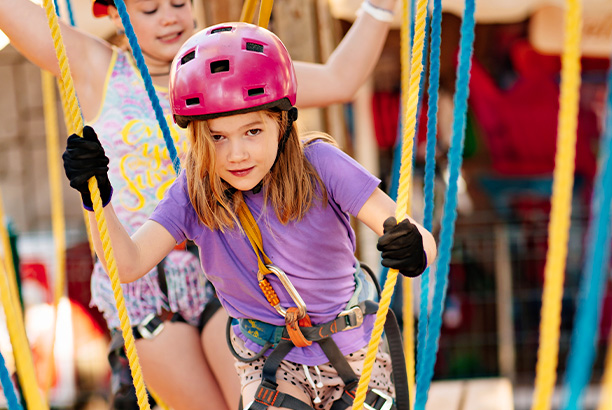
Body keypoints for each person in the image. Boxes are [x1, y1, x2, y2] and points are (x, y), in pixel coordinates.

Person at [0, 0, 399, 408]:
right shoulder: (97, 68)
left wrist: (379, 8)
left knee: (255, 393)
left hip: (226, 270)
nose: (170, 17)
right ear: (117, 15)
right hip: (143, 277)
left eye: (179, 3)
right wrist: (94, 195)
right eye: (151, 9)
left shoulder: (233, 74)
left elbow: (340, 79)